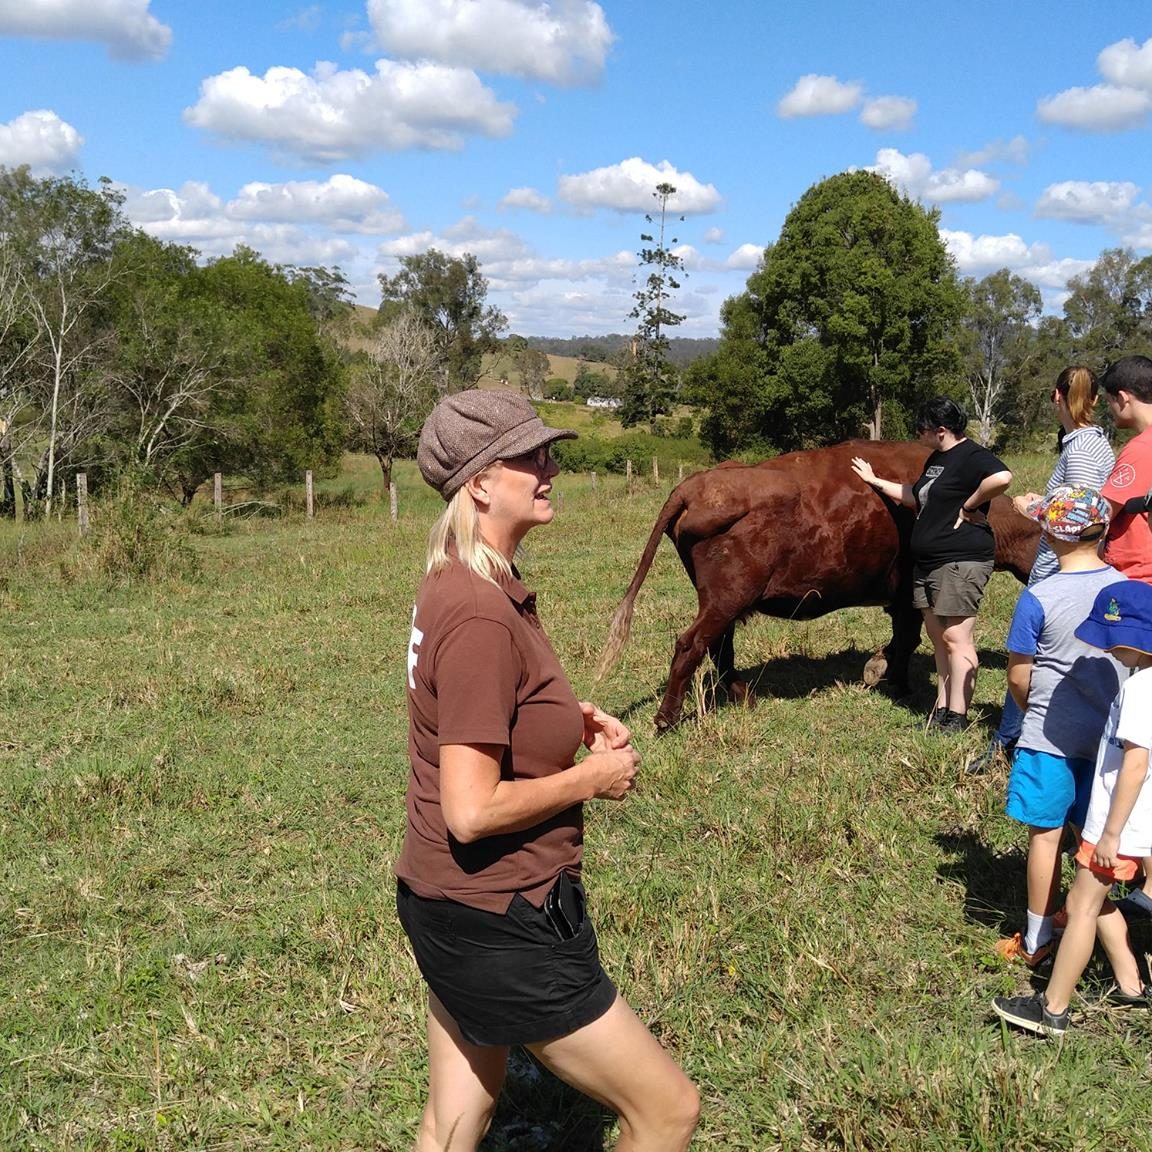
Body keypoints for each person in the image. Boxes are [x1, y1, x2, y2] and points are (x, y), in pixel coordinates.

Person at [396, 390, 699, 1152]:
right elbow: (471, 809)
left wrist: (563, 718)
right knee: (668, 1112)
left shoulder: (463, 580)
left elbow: (473, 714)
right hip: (503, 918)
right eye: (527, 456)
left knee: (452, 1124)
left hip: (444, 902)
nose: (549, 467)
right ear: (478, 484)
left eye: (546, 450)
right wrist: (590, 776)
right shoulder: (479, 613)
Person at [992, 579, 1152, 1037]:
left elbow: (1135, 766)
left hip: (1119, 825)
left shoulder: (1141, 690)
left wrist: (1111, 834)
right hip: (1133, 824)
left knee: (1080, 906)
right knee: (1097, 902)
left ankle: (1052, 1009)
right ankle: (1129, 983)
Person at [991, 487, 1125, 968]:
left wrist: (1033, 712)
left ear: (1048, 534)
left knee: (1045, 837)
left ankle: (1037, 938)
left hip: (1049, 737)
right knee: (1092, 840)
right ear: (1105, 529)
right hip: (1112, 741)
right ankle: (1097, 917)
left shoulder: (1038, 597)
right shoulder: (1128, 591)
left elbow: (1018, 676)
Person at [966, 367, 1115, 775]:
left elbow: (1078, 514)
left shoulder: (1082, 449)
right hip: (1078, 566)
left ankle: (1013, 741)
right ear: (1097, 400)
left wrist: (1030, 507)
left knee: (1032, 657)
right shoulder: (1093, 442)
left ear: (1056, 396)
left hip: (1063, 568)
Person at [851, 397, 1013, 732]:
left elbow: (1002, 477)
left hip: (960, 559)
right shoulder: (938, 458)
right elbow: (916, 495)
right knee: (939, 639)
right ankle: (942, 709)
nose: (917, 435)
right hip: (929, 561)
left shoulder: (971, 455)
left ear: (941, 430)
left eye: (922, 430)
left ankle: (958, 715)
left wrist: (971, 505)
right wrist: (875, 480)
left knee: (957, 638)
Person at [1098, 355, 1152, 918]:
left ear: (1124, 399)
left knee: (1134, 711)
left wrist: (1044, 508)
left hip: (1138, 583)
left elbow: (1103, 510)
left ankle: (1123, 837)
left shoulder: (1138, 451)